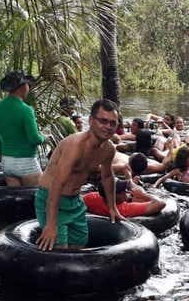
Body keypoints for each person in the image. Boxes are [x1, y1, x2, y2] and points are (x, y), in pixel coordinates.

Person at [35, 99, 124, 250]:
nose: (108, 127)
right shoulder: (75, 146)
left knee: (79, 246)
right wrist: (51, 225)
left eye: (112, 123)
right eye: (103, 121)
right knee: (59, 249)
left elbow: (107, 176)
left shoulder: (108, 149)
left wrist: (112, 207)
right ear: (90, 120)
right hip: (51, 197)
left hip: (75, 201)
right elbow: (57, 184)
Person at [0, 71, 45, 187]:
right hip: (26, 163)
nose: (28, 87)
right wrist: (44, 137)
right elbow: (34, 139)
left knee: (14, 202)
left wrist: (4, 151)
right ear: (22, 87)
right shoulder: (26, 110)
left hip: (7, 163)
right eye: (27, 85)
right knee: (37, 199)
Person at [83, 179, 166, 218]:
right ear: (114, 196)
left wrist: (131, 183)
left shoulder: (92, 197)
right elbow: (160, 204)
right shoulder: (124, 209)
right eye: (122, 191)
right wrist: (143, 195)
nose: (125, 191)